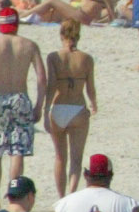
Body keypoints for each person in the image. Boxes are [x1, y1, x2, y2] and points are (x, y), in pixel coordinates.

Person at [0, 5, 41, 206]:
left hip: (0, 98)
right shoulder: (29, 45)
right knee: (17, 150)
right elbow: (42, 78)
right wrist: (40, 105)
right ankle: (14, 196)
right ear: (17, 24)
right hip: (21, 98)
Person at [42, 20, 99, 196]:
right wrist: (94, 104)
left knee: (60, 157)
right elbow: (90, 88)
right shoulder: (87, 59)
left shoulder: (53, 57)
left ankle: (61, 197)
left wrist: (45, 111)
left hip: (58, 108)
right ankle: (72, 193)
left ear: (61, 35)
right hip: (77, 108)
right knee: (76, 159)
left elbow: (51, 85)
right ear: (78, 36)